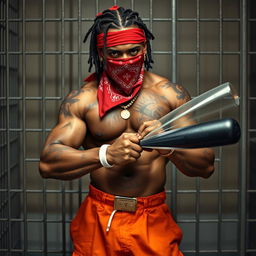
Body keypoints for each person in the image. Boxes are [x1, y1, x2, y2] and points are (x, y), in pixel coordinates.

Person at [39, 6, 215, 256]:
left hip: (152, 218)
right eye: (115, 53)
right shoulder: (83, 100)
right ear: (100, 53)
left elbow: (206, 165)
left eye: (133, 51)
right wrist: (106, 155)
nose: (126, 61)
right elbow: (48, 163)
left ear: (145, 48)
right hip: (99, 218)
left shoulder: (169, 94)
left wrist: (170, 144)